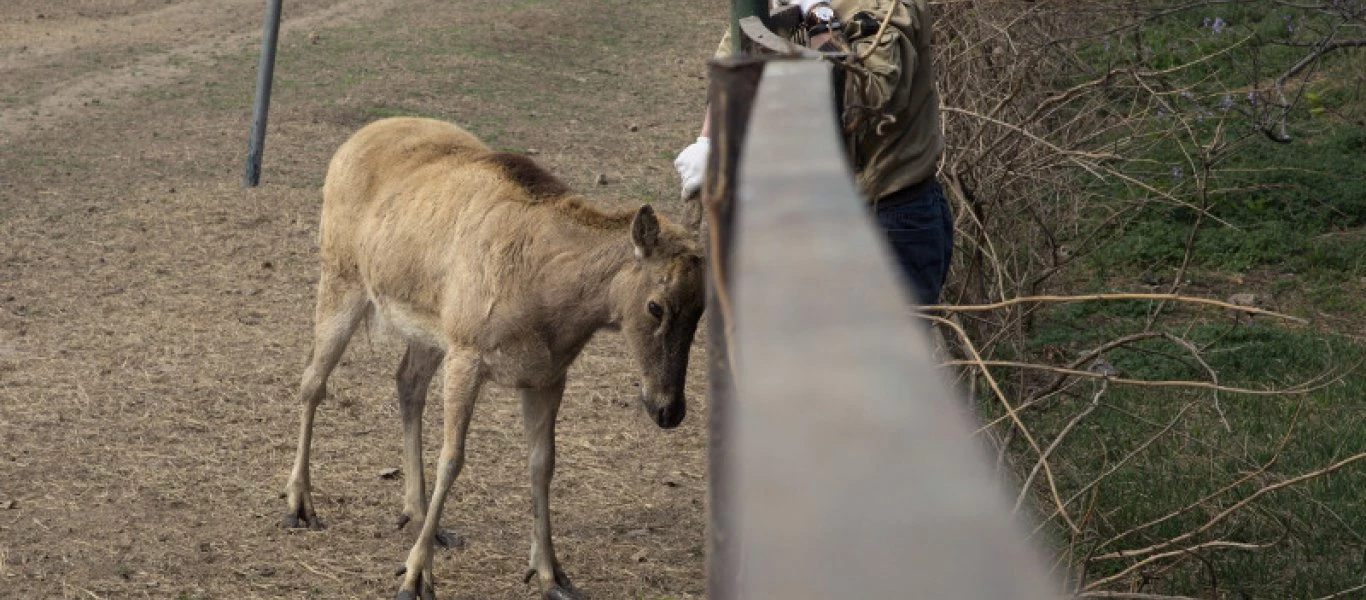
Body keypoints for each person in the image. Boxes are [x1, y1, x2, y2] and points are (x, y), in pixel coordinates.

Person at [674, 0, 952, 306]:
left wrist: (820, 17)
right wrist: (709, 141)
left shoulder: (885, 6)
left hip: (886, 220)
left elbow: (866, 100)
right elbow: (739, 47)